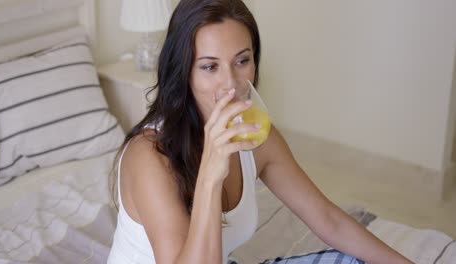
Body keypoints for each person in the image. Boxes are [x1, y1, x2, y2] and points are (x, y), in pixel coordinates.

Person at [107, 0, 413, 263]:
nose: (231, 84)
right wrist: (211, 174)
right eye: (210, 67)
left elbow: (328, 220)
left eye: (242, 61)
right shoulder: (150, 156)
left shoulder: (255, 136)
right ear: (183, 71)